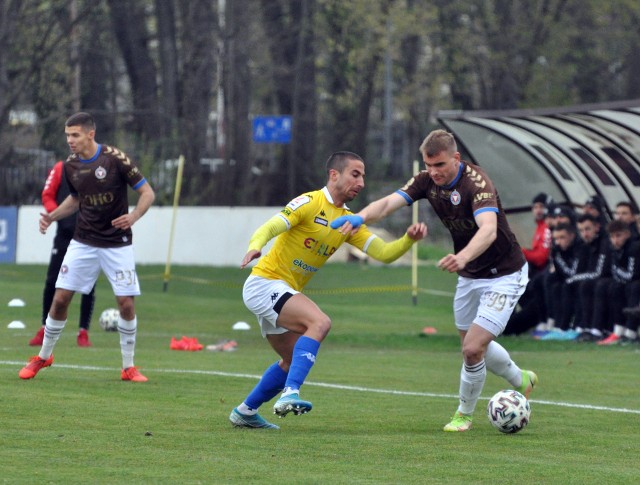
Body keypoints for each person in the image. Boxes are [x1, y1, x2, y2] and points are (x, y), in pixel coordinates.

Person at [331, 129, 537, 433]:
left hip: (503, 274)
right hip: (469, 276)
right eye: (428, 165)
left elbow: (489, 230)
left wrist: (463, 257)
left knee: (472, 349)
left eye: (439, 165)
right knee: (471, 345)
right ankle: (520, 378)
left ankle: (463, 415)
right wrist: (360, 218)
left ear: (456, 158)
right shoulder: (426, 180)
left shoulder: (477, 184)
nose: (433, 172)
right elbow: (389, 204)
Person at [229, 151, 427, 429]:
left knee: (290, 359)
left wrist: (408, 239)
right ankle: (290, 394)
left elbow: (383, 253)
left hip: (280, 291)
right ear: (334, 174)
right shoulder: (311, 202)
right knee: (319, 323)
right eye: (355, 174)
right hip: (265, 283)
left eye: (363, 177)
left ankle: (245, 411)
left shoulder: (348, 221)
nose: (361, 182)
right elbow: (272, 225)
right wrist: (255, 245)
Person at [19, 111, 155, 382]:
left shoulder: (116, 159)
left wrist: (134, 216)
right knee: (60, 299)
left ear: (90, 134)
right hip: (83, 241)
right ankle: (43, 357)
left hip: (117, 243)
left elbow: (147, 193)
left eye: (75, 135)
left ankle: (128, 366)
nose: (70, 140)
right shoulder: (70, 165)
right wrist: (52, 216)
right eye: (68, 135)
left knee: (126, 304)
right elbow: (76, 200)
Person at [29, 160, 97, 348]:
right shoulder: (60, 168)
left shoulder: (97, 168)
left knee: (88, 285)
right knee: (52, 281)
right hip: (64, 235)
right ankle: (44, 327)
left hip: (88, 236)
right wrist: (57, 214)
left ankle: (83, 332)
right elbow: (47, 194)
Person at [521, 192, 552, 277]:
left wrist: (521, 252)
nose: (538, 210)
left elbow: (541, 258)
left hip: (545, 271)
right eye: (535, 207)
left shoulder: (547, 227)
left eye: (541, 206)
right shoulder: (540, 226)